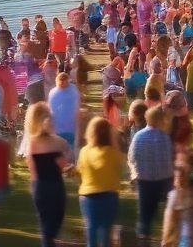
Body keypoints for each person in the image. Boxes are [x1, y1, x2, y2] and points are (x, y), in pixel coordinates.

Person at [23, 101, 70, 247]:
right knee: (54, 222)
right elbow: (66, 161)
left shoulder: (31, 144)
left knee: (46, 225)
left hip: (40, 187)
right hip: (54, 186)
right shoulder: (59, 143)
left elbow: (31, 167)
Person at [127, 105, 173, 245]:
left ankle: (143, 238)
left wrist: (134, 173)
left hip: (144, 180)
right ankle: (167, 237)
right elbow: (168, 157)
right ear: (160, 121)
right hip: (163, 179)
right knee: (167, 211)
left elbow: (132, 157)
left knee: (145, 212)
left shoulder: (138, 137)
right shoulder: (165, 138)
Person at [76, 116, 122, 247]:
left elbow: (80, 170)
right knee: (106, 232)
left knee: (91, 229)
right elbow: (120, 170)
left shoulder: (84, 151)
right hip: (109, 196)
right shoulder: (114, 153)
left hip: (88, 196)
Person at [47, 71, 80, 151]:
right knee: (59, 149)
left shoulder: (73, 91)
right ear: (57, 81)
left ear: (67, 80)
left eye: (64, 81)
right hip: (57, 127)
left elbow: (77, 106)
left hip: (70, 127)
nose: (62, 83)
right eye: (60, 81)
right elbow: (50, 108)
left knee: (70, 148)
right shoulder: (53, 93)